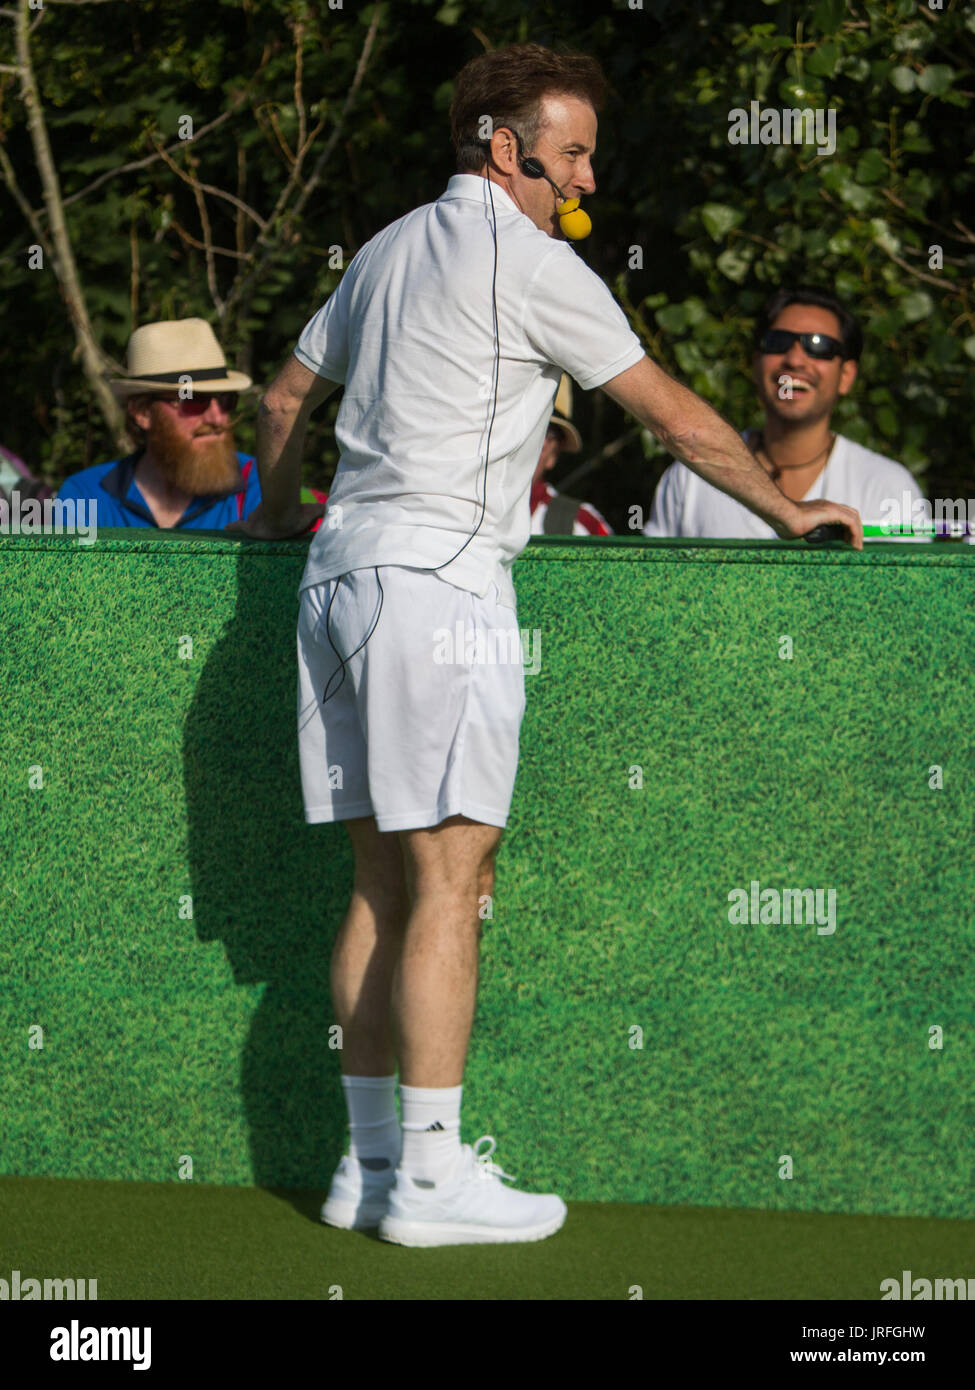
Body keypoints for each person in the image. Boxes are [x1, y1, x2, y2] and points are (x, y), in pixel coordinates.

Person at [227, 42, 862, 1248]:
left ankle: (366, 1173)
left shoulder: (380, 248)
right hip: (439, 587)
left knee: (381, 880)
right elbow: (672, 415)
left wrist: (273, 513)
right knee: (452, 886)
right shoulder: (534, 259)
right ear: (506, 148)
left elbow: (277, 403)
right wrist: (792, 510)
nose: (583, 179)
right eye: (570, 153)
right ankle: (427, 1182)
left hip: (337, 576)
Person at [643, 287, 925, 540]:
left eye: (819, 345)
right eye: (778, 342)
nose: (794, 359)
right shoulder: (691, 476)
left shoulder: (889, 487)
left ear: (846, 375)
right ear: (756, 363)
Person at [57, 319, 261, 529]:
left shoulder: (259, 486)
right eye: (193, 400)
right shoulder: (85, 498)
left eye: (227, 399)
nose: (218, 419)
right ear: (142, 412)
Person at [529, 373, 613, 535]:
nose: (529, 442)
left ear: (554, 454)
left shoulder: (582, 525)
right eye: (528, 426)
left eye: (545, 433)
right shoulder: (465, 508)